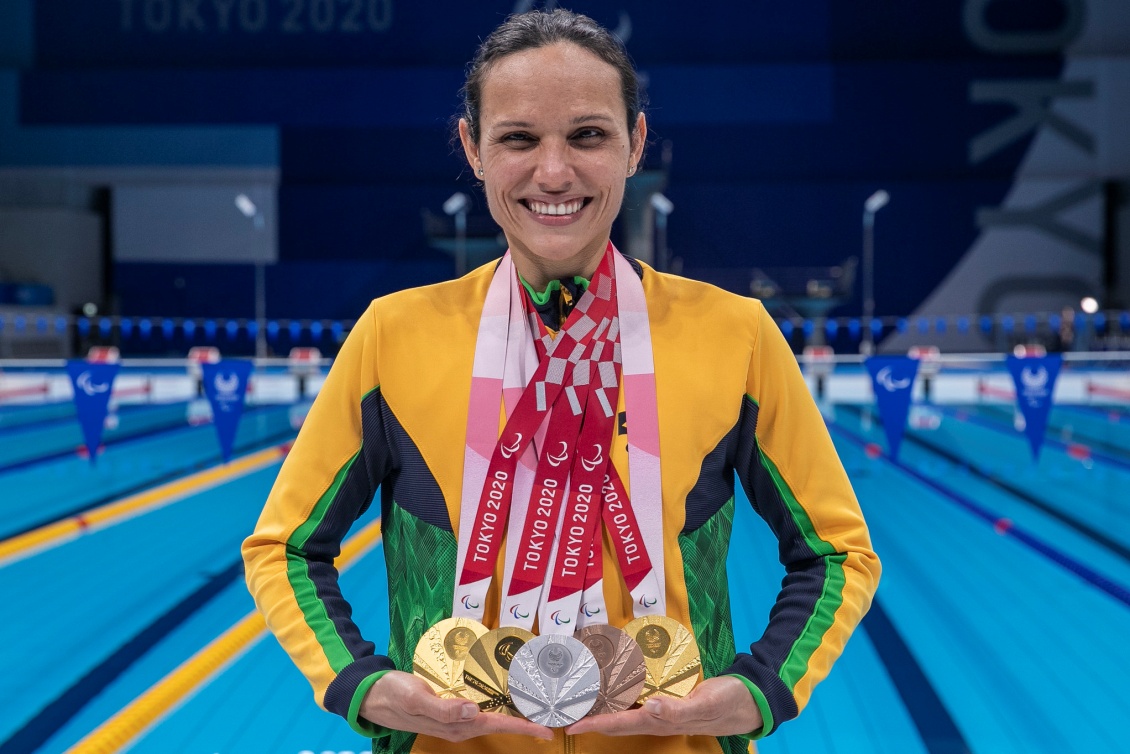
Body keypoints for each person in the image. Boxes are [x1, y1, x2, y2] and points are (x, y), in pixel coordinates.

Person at [242, 9, 880, 754]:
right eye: (518, 138)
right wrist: (359, 682)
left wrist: (762, 688)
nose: (553, 173)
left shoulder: (735, 335)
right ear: (473, 149)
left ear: (635, 143)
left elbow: (838, 552)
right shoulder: (394, 335)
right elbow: (285, 548)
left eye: (588, 135)